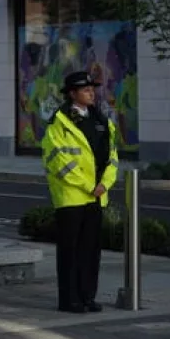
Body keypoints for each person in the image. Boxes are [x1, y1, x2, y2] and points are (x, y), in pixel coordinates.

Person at [41, 71, 119, 313]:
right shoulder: (59, 122)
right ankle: (69, 299)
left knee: (90, 251)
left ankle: (87, 296)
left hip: (96, 195)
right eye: (85, 89)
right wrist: (88, 186)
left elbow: (112, 157)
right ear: (72, 94)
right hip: (71, 197)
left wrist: (105, 183)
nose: (91, 92)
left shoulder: (102, 120)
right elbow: (58, 161)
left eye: (92, 89)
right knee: (70, 251)